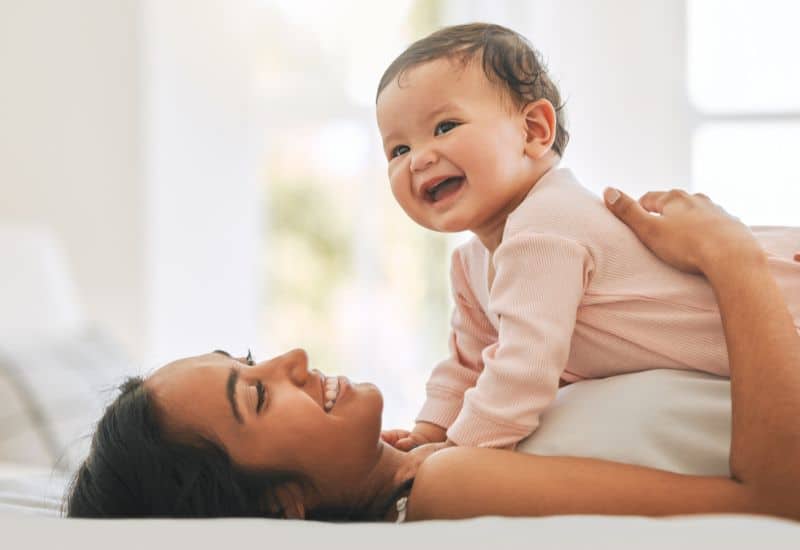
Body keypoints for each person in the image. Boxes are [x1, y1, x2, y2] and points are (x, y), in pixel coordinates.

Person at [66, 188, 800, 521]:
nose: (291, 356)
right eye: (256, 395)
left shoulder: (447, 445)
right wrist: (730, 261)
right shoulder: (447, 489)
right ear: (281, 504)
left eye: (253, 359)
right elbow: (770, 502)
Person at [375, 23, 800, 450]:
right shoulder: (470, 264)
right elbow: (469, 364)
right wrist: (429, 432)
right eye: (398, 150)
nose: (419, 160)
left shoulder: (546, 226)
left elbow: (522, 372)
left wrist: (455, 454)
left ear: (534, 131)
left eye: (445, 126)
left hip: (783, 305)